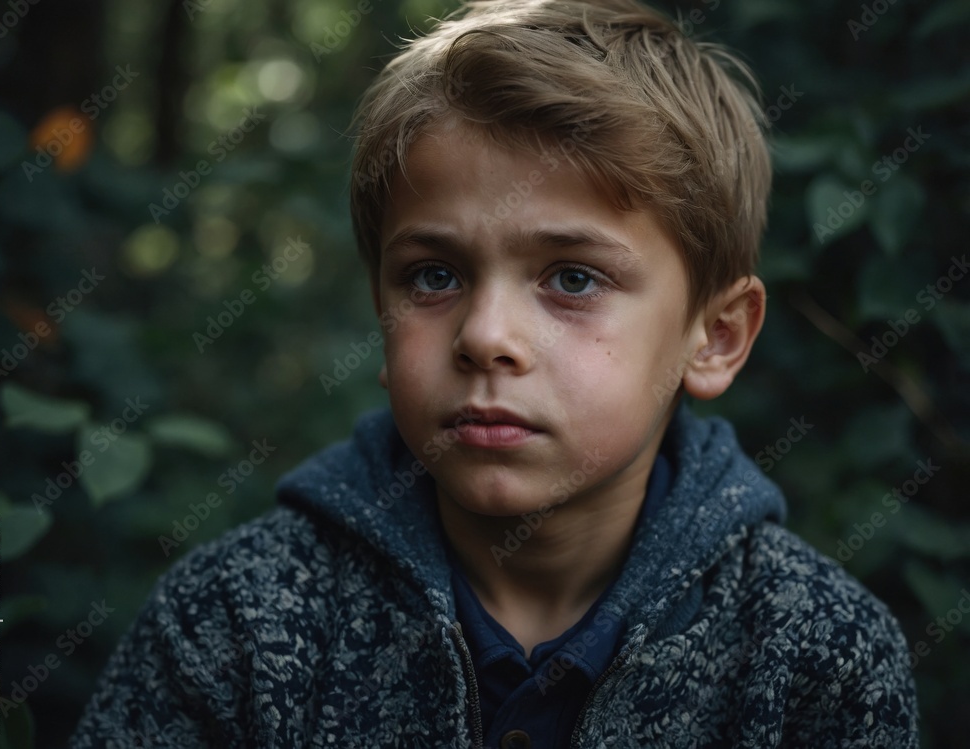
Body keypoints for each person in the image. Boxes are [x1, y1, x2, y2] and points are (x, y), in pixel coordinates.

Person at [71, 1, 919, 746]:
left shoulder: (816, 655)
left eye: (572, 278)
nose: (484, 336)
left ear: (717, 336)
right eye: (433, 275)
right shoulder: (232, 622)